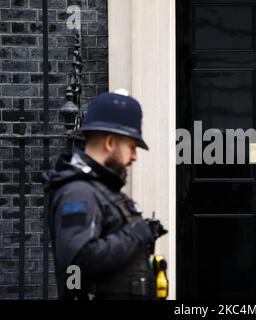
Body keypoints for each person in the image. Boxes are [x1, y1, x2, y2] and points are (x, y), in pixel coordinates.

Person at [42, 92, 167, 300]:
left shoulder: (102, 190)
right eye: (132, 147)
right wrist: (136, 235)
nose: (135, 156)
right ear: (110, 142)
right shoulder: (78, 192)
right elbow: (78, 261)